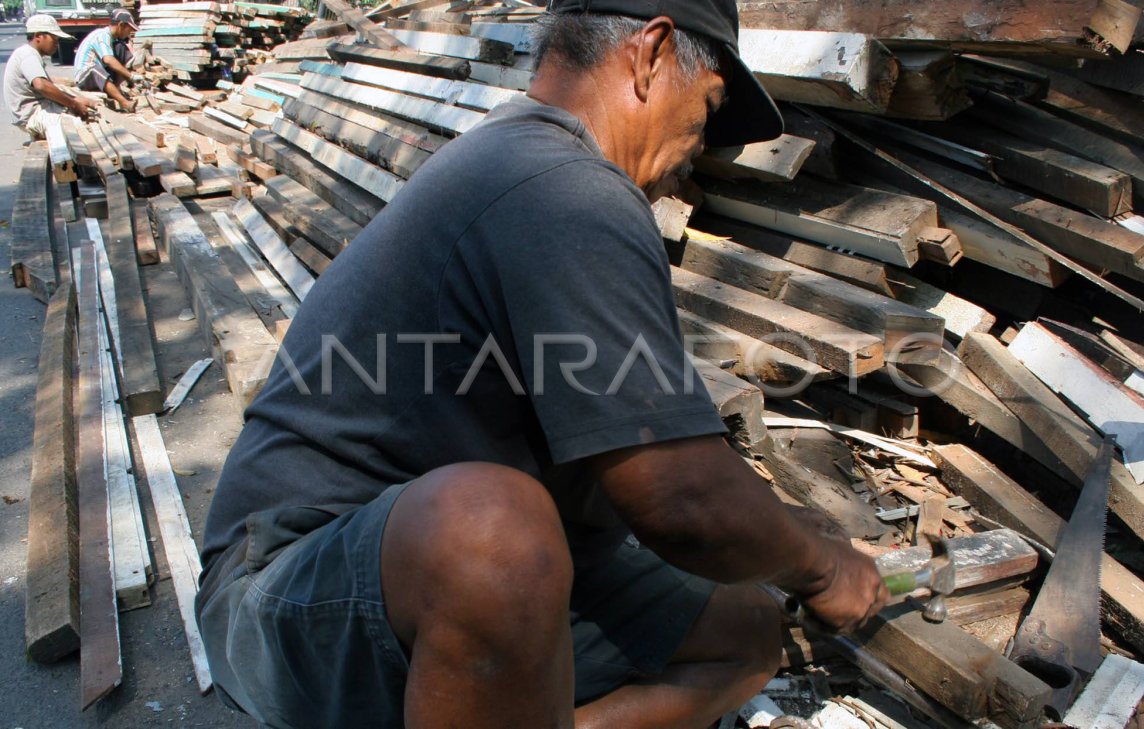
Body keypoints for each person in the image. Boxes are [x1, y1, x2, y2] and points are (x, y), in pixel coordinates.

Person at [196, 1, 891, 727]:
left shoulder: (528, 163)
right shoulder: (563, 188)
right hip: (282, 594)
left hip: (407, 576)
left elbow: (649, 464)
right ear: (651, 55)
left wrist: (781, 526)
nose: (698, 146)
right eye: (708, 107)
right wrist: (825, 565)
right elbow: (680, 498)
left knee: (744, 630)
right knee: (490, 532)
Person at [4, 15, 97, 140]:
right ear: (38, 36)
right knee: (78, 130)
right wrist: (74, 104)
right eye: (54, 39)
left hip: (36, 110)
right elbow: (41, 85)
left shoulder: (28, 53)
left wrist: (75, 100)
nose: (56, 44)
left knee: (82, 107)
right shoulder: (28, 54)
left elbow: (48, 85)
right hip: (33, 115)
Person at [72, 9, 138, 111]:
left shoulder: (113, 40)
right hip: (85, 76)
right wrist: (131, 76)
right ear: (121, 25)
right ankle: (124, 103)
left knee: (121, 48)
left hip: (99, 74)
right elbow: (108, 60)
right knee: (94, 69)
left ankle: (115, 90)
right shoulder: (101, 35)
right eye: (129, 30)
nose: (129, 33)